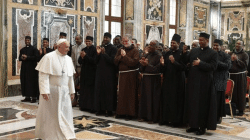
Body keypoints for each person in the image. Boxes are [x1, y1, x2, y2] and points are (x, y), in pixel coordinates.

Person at [35, 39, 76, 140]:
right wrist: (44, 91)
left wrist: (72, 91)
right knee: (51, 115)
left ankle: (67, 134)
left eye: (68, 47)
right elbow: (43, 75)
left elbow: (70, 77)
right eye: (66, 47)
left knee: (65, 113)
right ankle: (50, 136)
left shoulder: (69, 59)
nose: (68, 49)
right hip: (52, 91)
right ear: (59, 47)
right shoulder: (49, 57)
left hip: (65, 92)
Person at [183, 33, 218, 135]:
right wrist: (184, 53)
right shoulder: (194, 51)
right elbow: (186, 61)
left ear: (207, 40)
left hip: (205, 84)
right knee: (192, 104)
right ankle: (193, 125)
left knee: (202, 105)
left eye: (202, 40)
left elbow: (213, 67)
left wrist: (200, 63)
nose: (200, 42)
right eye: (199, 40)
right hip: (193, 82)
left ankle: (202, 127)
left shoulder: (213, 53)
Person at [160, 34, 186, 126]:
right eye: (171, 42)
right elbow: (164, 68)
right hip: (168, 80)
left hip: (178, 81)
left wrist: (174, 62)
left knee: (176, 101)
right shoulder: (167, 53)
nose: (171, 44)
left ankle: (176, 121)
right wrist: (162, 64)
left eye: (173, 43)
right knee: (166, 99)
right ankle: (165, 119)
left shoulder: (181, 54)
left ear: (178, 43)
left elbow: (184, 67)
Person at [114, 34, 140, 120]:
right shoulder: (120, 50)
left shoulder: (135, 50)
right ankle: (121, 112)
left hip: (131, 75)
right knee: (121, 95)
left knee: (130, 95)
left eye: (126, 41)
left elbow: (133, 62)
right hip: (122, 75)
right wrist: (121, 56)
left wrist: (124, 57)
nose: (124, 43)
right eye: (123, 41)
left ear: (131, 41)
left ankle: (130, 114)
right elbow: (115, 61)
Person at [94, 32, 118, 117]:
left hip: (109, 74)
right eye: (104, 37)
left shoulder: (113, 48)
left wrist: (104, 54)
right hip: (100, 73)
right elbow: (95, 61)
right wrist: (98, 54)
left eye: (107, 38)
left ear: (110, 39)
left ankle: (109, 111)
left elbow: (112, 61)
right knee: (100, 91)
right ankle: (100, 109)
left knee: (108, 92)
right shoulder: (100, 47)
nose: (105, 39)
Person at [138, 40, 161, 124]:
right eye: (149, 45)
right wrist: (142, 64)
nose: (149, 46)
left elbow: (157, 69)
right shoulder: (147, 55)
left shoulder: (159, 56)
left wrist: (147, 65)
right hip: (146, 79)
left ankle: (152, 118)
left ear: (157, 47)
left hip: (154, 80)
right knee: (144, 98)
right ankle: (144, 116)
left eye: (152, 45)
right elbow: (141, 69)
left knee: (152, 99)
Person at [212, 39, 231, 123]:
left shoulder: (225, 56)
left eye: (217, 45)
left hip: (220, 80)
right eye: (214, 45)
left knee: (218, 100)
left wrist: (217, 62)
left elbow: (227, 66)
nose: (215, 47)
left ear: (221, 46)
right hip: (211, 80)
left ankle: (218, 117)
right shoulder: (211, 54)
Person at [229, 40, 249, 116]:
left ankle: (241, 110)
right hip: (232, 75)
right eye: (236, 43)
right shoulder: (231, 53)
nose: (237, 45)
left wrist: (237, 60)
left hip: (240, 76)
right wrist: (231, 60)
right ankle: (233, 109)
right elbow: (228, 63)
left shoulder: (245, 55)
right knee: (233, 93)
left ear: (242, 46)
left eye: (239, 44)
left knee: (240, 93)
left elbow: (245, 65)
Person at [78, 36, 97, 112]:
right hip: (84, 72)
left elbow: (94, 61)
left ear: (92, 42)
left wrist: (85, 56)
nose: (87, 43)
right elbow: (79, 61)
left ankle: (91, 107)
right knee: (83, 89)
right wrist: (82, 58)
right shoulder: (83, 49)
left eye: (89, 41)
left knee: (90, 91)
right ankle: (83, 106)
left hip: (91, 73)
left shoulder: (94, 49)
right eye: (86, 41)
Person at [19, 36, 39, 103]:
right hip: (24, 69)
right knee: (25, 82)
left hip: (32, 69)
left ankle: (33, 97)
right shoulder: (22, 50)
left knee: (32, 83)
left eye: (28, 40)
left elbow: (36, 58)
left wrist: (27, 57)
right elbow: (19, 58)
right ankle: (27, 97)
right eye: (26, 40)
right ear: (24, 41)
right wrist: (22, 58)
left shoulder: (34, 49)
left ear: (30, 41)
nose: (27, 41)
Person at [71, 34, 86, 106]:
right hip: (75, 68)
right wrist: (74, 70)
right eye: (76, 39)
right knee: (74, 84)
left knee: (81, 85)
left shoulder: (85, 47)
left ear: (81, 39)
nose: (76, 41)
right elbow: (73, 59)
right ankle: (74, 100)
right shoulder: (73, 47)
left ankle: (81, 101)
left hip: (82, 68)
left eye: (78, 39)